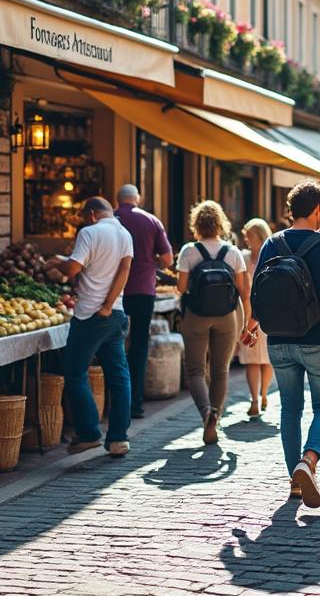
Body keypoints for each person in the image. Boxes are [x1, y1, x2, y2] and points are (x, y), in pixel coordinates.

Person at [247, 180, 320, 508]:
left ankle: (294, 483)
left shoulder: (271, 243)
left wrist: (252, 325)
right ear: (317, 210)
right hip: (319, 341)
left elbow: (259, 290)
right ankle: (308, 461)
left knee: (290, 409)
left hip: (280, 341)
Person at [45, 197, 134, 458]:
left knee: (74, 373)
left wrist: (56, 263)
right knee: (119, 376)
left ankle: (88, 433)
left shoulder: (89, 232)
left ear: (92, 214)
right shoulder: (124, 233)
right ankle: (119, 438)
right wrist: (109, 304)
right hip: (115, 313)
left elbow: (73, 268)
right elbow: (124, 271)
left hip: (88, 315)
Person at [176, 200, 252, 446]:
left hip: (196, 315)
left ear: (196, 224)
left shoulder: (189, 251)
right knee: (221, 370)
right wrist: (248, 320)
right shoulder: (232, 252)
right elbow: (243, 290)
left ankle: (205, 412)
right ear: (221, 223)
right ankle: (216, 415)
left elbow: (181, 287)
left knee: (196, 370)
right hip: (226, 316)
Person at [114, 185, 173, 420]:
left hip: (113, 292)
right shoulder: (151, 221)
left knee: (112, 345)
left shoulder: (110, 220)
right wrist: (151, 262)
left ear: (117, 200)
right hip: (142, 290)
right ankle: (135, 404)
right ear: (137, 199)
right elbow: (168, 260)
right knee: (138, 346)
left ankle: (113, 401)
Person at [239, 218, 275, 418]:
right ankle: (254, 398)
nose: (246, 239)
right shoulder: (243, 257)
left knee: (266, 360)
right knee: (251, 359)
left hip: (268, 313)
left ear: (259, 236)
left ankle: (263, 394)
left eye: (249, 235)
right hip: (247, 312)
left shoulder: (271, 254)